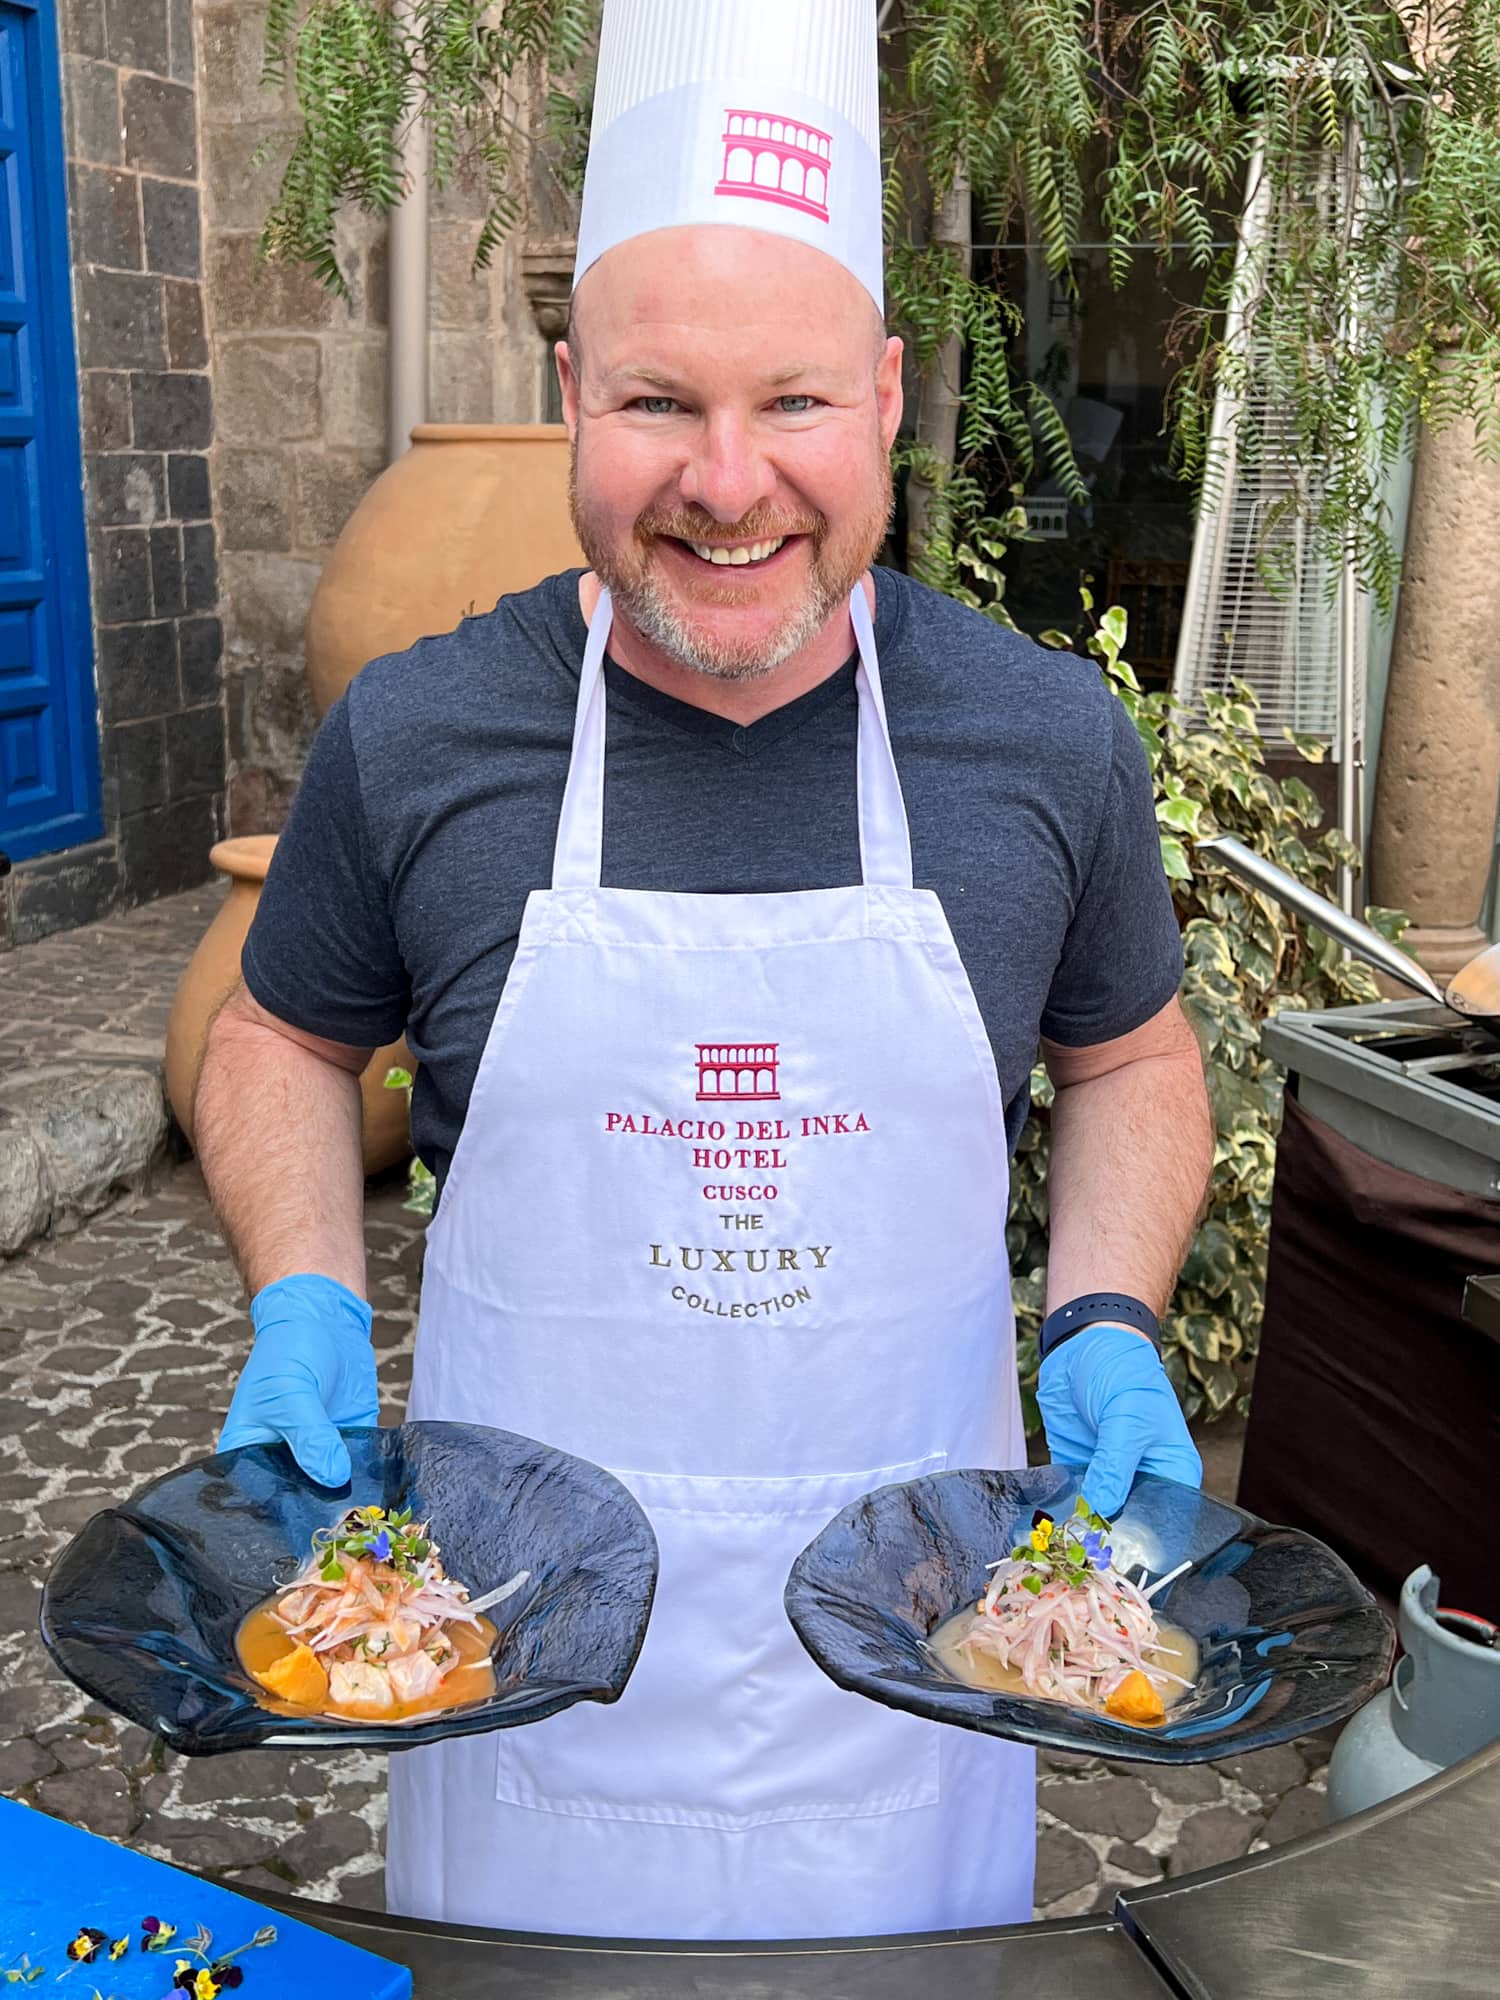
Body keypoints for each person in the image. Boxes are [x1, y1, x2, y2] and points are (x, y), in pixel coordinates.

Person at [197, 0, 1212, 1944]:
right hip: (515, 1697)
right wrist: (305, 1291)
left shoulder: (1041, 740)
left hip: (914, 1718)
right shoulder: (418, 737)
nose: (731, 483)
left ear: (892, 395)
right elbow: (274, 1035)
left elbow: (1134, 1055)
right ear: (573, 385)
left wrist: (1102, 1315)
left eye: (798, 403)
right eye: (662, 399)